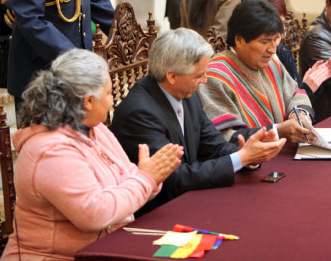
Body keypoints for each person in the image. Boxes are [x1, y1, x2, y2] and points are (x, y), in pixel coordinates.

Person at [0, 49, 183, 260]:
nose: (111, 100)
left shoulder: (96, 129)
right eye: (108, 93)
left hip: (109, 246)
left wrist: (151, 175)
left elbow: (128, 177)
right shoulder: (50, 150)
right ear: (88, 101)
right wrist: (146, 178)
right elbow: (95, 213)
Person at [111, 28, 285, 215]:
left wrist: (249, 156)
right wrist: (241, 158)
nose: (205, 80)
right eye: (198, 75)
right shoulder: (139, 113)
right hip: (157, 213)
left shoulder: (187, 95)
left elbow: (213, 146)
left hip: (188, 198)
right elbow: (174, 177)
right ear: (172, 76)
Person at [198, 0, 316, 143]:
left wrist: (299, 115)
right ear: (239, 40)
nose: (272, 50)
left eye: (276, 39)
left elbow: (296, 94)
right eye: (264, 42)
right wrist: (277, 131)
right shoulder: (215, 76)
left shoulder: (271, 64)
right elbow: (223, 137)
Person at [252, 0, 331, 102]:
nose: (280, 31)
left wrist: (309, 84)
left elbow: (298, 103)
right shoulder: (251, 57)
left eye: (283, 24)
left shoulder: (282, 52)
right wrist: (307, 88)